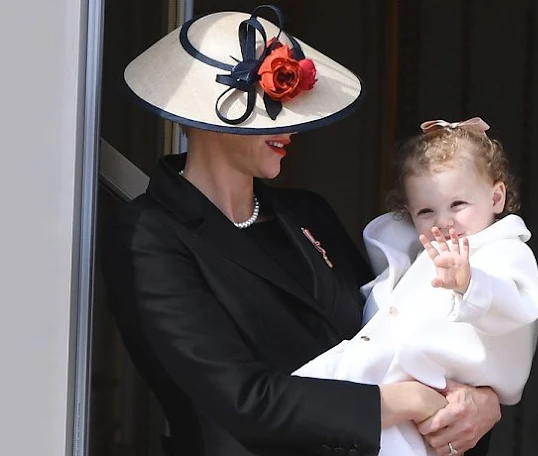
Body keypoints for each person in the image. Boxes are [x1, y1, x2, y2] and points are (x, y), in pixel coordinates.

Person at [101, 6, 501, 456]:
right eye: (273, 106)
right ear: (206, 117)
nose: (290, 124)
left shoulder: (308, 214)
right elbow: (242, 400)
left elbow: (394, 331)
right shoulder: (147, 236)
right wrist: (400, 401)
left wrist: (480, 402)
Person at [293, 117, 538, 456]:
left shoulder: (504, 249)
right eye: (426, 211)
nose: (444, 221)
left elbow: (520, 302)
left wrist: (471, 283)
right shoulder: (421, 251)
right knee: (304, 398)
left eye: (458, 204)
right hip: (386, 376)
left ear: (496, 198)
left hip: (437, 390)